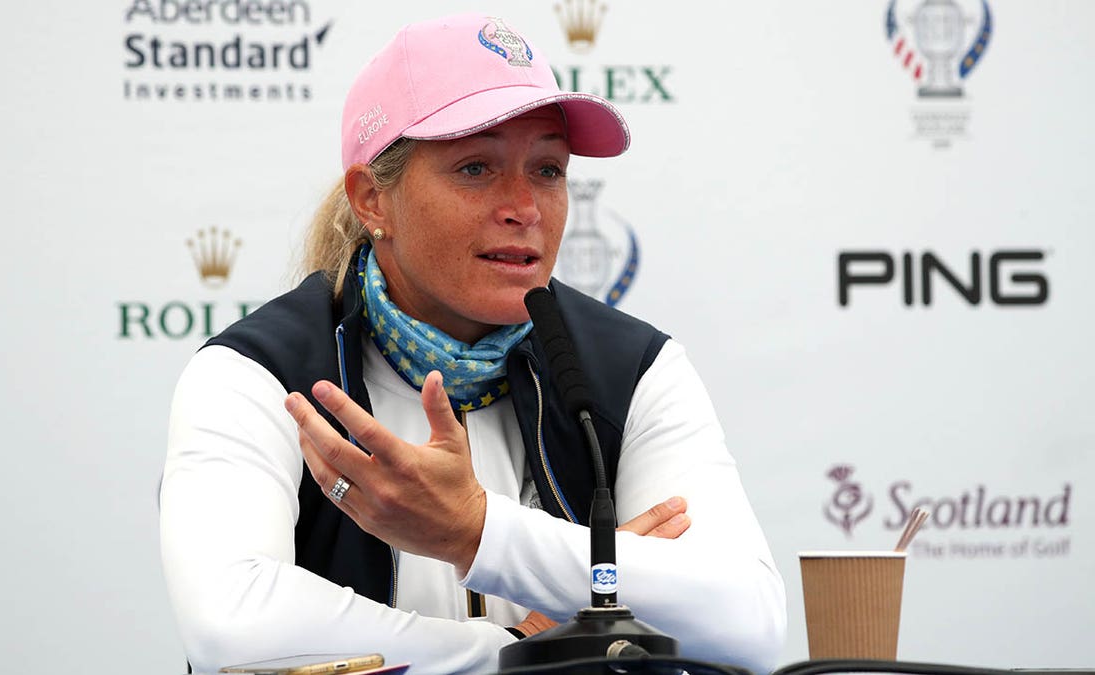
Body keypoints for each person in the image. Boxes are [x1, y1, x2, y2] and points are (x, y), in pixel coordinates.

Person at [160, 12, 785, 675]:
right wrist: (530, 649)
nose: (525, 205)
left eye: (548, 168)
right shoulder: (255, 372)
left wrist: (479, 531)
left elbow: (748, 621)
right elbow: (231, 622)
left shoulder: (632, 370)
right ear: (372, 199)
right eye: (477, 167)